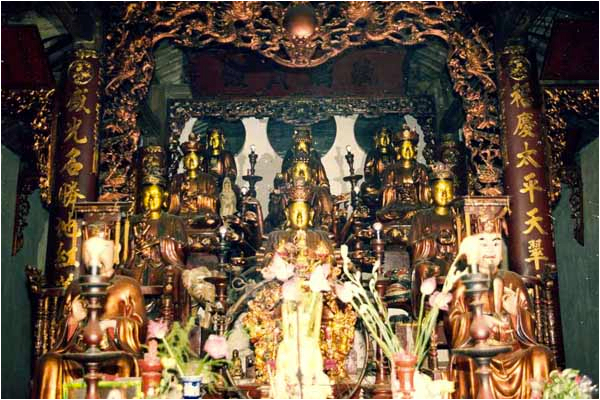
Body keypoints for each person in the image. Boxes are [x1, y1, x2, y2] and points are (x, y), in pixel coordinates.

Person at [32, 225, 146, 399]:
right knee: (49, 362)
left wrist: (111, 325)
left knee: (123, 362)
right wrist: (73, 320)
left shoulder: (128, 286)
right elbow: (60, 332)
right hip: (78, 352)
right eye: (89, 250)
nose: (96, 254)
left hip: (113, 350)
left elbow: (140, 326)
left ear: (116, 250)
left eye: (103, 248)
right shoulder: (76, 287)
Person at [446, 232, 556, 399]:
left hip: (514, 349)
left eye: (496, 244)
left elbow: (531, 321)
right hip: (480, 349)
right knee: (469, 361)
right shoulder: (463, 284)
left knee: (540, 354)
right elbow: (452, 321)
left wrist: (516, 313)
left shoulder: (513, 280)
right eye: (484, 244)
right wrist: (478, 320)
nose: (491, 249)